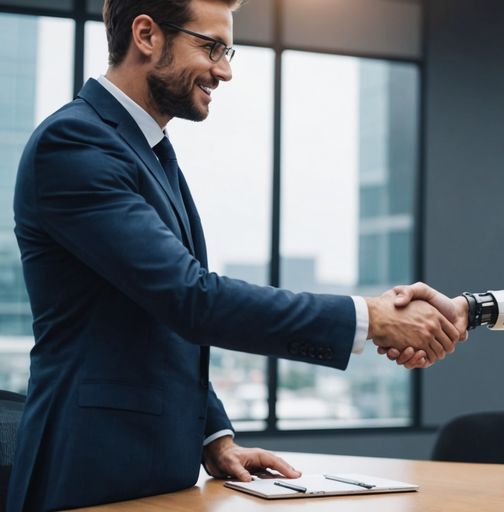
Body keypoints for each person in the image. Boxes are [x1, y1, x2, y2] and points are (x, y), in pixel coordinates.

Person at [5, 0, 464, 510]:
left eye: (229, 51)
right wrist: (369, 317)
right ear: (147, 35)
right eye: (211, 47)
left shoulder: (144, 150)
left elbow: (153, 316)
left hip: (150, 473)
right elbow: (190, 299)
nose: (224, 70)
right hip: (87, 472)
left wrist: (214, 438)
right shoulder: (75, 144)